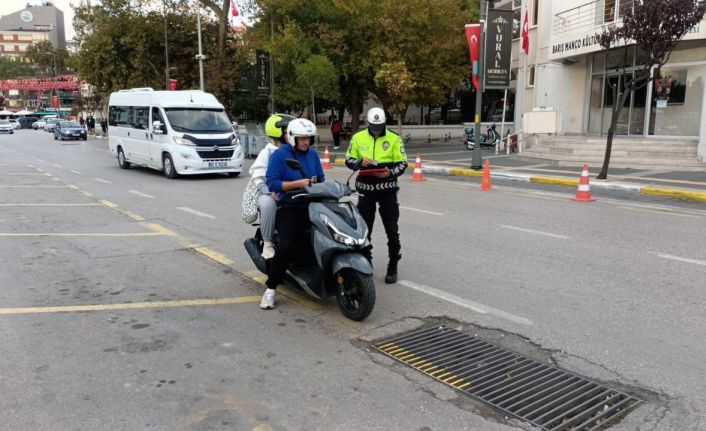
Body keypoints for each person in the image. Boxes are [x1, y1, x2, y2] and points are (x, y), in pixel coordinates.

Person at [260, 118, 325, 310]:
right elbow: (272, 184)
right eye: (302, 139)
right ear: (292, 138)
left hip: (313, 203)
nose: (306, 142)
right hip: (290, 206)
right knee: (287, 243)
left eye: (309, 138)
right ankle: (271, 289)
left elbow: (321, 179)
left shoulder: (312, 155)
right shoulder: (280, 155)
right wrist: (298, 184)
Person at [345, 107, 408, 284]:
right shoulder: (358, 137)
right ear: (367, 122)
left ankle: (393, 266)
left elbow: (403, 163)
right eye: (373, 126)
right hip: (366, 191)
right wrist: (359, 162)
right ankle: (367, 262)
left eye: (379, 126)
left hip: (387, 190)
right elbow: (348, 160)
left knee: (392, 230)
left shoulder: (394, 138)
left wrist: (389, 173)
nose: (376, 129)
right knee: (365, 231)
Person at [249, 113, 295, 259]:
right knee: (269, 205)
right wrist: (268, 191)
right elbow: (258, 175)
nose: (292, 134)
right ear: (278, 132)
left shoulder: (296, 150)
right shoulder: (267, 152)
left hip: (292, 191)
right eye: (289, 131)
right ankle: (268, 243)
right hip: (269, 192)